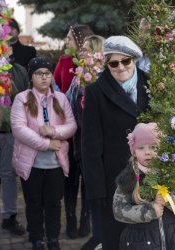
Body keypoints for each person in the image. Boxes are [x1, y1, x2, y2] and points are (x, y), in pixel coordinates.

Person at [81, 36, 150, 250]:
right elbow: (90, 146)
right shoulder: (95, 92)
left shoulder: (153, 85)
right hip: (114, 182)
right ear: (106, 64)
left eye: (126, 61)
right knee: (116, 240)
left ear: (134, 60)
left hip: (151, 176)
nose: (121, 67)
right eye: (113, 63)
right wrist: (96, 191)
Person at [10, 57, 77, 250]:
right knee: (33, 202)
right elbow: (19, 129)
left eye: (47, 73)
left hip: (56, 163)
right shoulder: (22, 99)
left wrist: (54, 132)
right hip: (31, 163)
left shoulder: (61, 98)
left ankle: (53, 238)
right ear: (31, 77)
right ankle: (37, 238)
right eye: (38, 73)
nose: (44, 77)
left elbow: (71, 125)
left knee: (54, 203)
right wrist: (47, 144)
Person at [113, 123, 175, 250]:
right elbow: (118, 211)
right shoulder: (128, 179)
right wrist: (149, 211)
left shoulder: (172, 175)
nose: (147, 152)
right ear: (134, 152)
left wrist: (170, 200)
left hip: (174, 242)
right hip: (140, 243)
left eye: (153, 147)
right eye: (141, 148)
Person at [65, 34, 105, 239]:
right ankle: (71, 220)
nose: (83, 52)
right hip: (74, 137)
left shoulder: (106, 77)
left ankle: (85, 222)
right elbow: (67, 102)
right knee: (70, 182)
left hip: (94, 141)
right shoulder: (78, 76)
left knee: (88, 183)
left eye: (88, 49)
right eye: (83, 49)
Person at [0, 61, 29, 236]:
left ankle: (9, 217)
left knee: (9, 176)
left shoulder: (18, 70)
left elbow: (25, 98)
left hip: (9, 132)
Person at [54, 24, 94, 93]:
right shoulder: (64, 61)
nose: (66, 42)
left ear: (80, 40)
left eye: (69, 39)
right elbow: (54, 86)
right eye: (66, 38)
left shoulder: (95, 61)